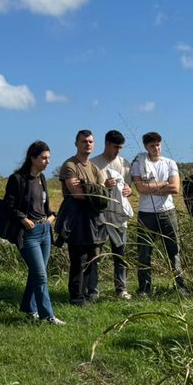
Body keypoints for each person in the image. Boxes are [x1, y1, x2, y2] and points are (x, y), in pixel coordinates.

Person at [3, 141, 63, 325]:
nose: (47, 162)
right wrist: (23, 219)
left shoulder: (42, 179)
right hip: (28, 233)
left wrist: (51, 217)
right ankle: (48, 316)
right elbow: (8, 205)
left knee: (38, 273)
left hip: (45, 230)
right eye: (43, 158)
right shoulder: (17, 179)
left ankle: (29, 308)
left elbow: (44, 206)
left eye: (48, 158)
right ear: (32, 158)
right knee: (40, 275)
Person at [56, 129, 109, 306]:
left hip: (93, 217)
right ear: (77, 144)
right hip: (76, 216)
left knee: (92, 257)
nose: (88, 144)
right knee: (78, 259)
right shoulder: (70, 165)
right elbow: (76, 193)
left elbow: (104, 195)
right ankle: (76, 297)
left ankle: (86, 293)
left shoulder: (94, 168)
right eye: (84, 141)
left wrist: (87, 185)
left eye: (91, 142)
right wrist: (94, 189)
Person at [131, 131, 185, 296]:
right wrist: (164, 185)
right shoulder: (139, 162)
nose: (156, 148)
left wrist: (152, 186)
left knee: (173, 250)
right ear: (146, 146)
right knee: (144, 252)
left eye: (158, 144)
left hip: (167, 212)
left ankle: (180, 287)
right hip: (146, 214)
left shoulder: (170, 163)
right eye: (152, 145)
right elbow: (140, 189)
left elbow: (175, 188)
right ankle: (144, 289)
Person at [89, 129, 133, 300]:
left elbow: (128, 189)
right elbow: (89, 191)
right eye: (115, 147)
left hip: (119, 217)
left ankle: (121, 289)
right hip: (99, 215)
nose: (118, 151)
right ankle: (92, 291)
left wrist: (129, 190)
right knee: (95, 254)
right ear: (106, 143)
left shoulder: (125, 164)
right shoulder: (93, 163)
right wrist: (104, 186)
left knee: (120, 254)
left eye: (121, 147)